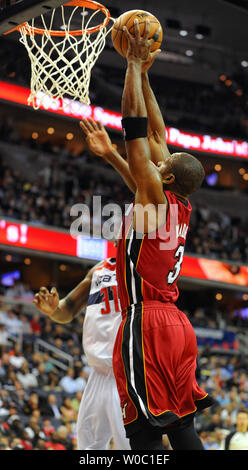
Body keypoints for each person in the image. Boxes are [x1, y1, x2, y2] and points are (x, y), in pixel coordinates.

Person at [111, 20, 215, 450]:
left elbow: (136, 131)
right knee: (181, 428)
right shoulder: (179, 202)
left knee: (143, 433)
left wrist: (134, 67)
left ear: (166, 175)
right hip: (178, 325)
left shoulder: (154, 195)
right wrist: (147, 75)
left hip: (146, 320)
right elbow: (156, 133)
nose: (160, 156)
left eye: (164, 161)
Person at [33, 258, 130, 450]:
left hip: (128, 372)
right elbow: (68, 308)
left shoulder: (147, 266)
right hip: (98, 373)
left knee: (130, 448)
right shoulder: (100, 268)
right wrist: (54, 310)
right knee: (88, 445)